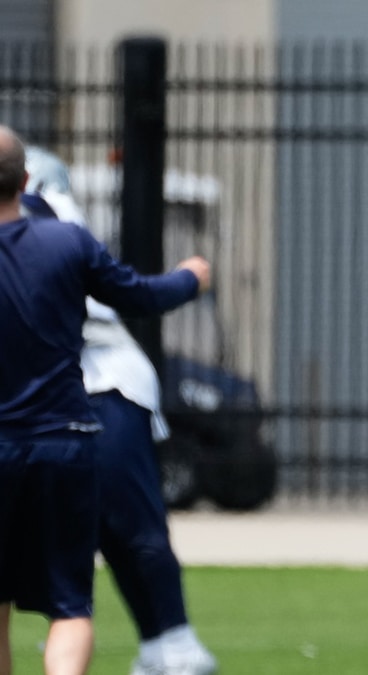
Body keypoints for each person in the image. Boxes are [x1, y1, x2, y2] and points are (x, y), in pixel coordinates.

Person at [0, 125, 211, 675]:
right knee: (74, 599)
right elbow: (139, 294)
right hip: (68, 423)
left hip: (62, 407)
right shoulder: (65, 240)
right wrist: (190, 279)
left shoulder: (51, 225)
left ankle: (172, 639)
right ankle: (171, 640)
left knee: (127, 530)